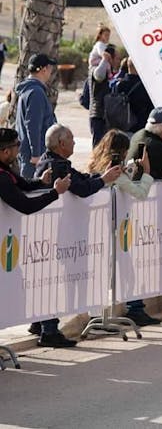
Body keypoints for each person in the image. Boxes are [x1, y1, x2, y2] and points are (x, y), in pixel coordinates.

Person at [30, 123, 123, 338]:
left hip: (56, 231)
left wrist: (102, 175)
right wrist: (104, 180)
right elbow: (81, 189)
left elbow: (81, 178)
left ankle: (39, 324)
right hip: (55, 232)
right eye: (71, 140)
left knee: (50, 280)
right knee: (52, 280)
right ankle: (48, 330)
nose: (74, 143)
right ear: (61, 144)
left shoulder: (56, 161)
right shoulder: (56, 166)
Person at [0, 128, 72, 346]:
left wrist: (40, 182)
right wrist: (55, 193)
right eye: (17, 146)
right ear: (5, 151)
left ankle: (41, 324)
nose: (19, 150)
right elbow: (25, 205)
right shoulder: (1, 176)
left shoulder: (6, 170)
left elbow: (22, 184)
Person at [14, 54, 58, 179]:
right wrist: (36, 154)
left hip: (28, 152)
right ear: (43, 69)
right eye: (50, 68)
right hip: (34, 157)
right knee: (33, 188)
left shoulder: (29, 89)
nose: (51, 71)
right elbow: (33, 125)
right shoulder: (36, 92)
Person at [87, 44, 120, 147]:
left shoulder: (110, 71)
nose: (118, 61)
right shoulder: (96, 68)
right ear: (110, 58)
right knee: (98, 147)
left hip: (106, 116)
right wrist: (104, 59)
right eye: (117, 58)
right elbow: (99, 76)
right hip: (98, 115)